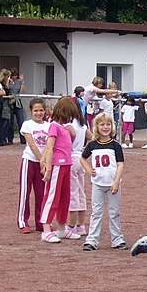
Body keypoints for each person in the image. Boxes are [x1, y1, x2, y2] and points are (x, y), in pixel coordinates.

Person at [80, 112, 126, 251]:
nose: (105, 127)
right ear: (96, 126)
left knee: (114, 212)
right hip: (97, 183)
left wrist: (117, 181)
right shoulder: (92, 145)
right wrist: (88, 169)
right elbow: (82, 158)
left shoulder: (115, 145)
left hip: (112, 184)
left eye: (108, 124)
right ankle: (92, 240)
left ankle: (117, 239)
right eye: (102, 124)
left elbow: (120, 164)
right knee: (96, 212)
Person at [40, 98, 79, 243]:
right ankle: (46, 229)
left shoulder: (65, 128)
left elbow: (68, 145)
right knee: (52, 197)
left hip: (66, 165)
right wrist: (48, 168)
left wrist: (72, 134)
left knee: (64, 198)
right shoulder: (54, 126)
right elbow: (50, 148)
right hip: (57, 165)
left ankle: (62, 229)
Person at [17, 98, 50, 233]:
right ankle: (22, 221)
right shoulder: (27, 124)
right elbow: (31, 143)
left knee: (41, 194)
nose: (38, 113)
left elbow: (49, 145)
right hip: (29, 161)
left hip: (42, 164)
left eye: (41, 110)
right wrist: (41, 159)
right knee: (25, 192)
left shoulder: (48, 125)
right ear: (31, 111)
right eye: (36, 110)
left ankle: (40, 222)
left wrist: (45, 161)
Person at [65, 100, 92, 237]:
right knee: (81, 192)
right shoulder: (82, 124)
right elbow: (91, 137)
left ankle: (71, 226)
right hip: (81, 157)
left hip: (71, 157)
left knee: (73, 193)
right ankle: (81, 225)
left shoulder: (68, 125)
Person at [9, 69, 26, 145]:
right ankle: (10, 139)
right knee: (10, 122)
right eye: (13, 75)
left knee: (21, 121)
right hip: (10, 102)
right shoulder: (9, 81)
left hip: (18, 102)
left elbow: (22, 92)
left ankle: (23, 139)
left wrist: (22, 82)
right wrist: (9, 80)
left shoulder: (19, 82)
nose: (15, 77)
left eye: (16, 75)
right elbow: (7, 89)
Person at [0, 69, 12, 145]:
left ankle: (5, 138)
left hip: (7, 104)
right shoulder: (0, 84)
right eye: (8, 76)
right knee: (4, 122)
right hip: (3, 104)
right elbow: (5, 92)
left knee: (7, 122)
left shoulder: (6, 84)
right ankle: (2, 138)